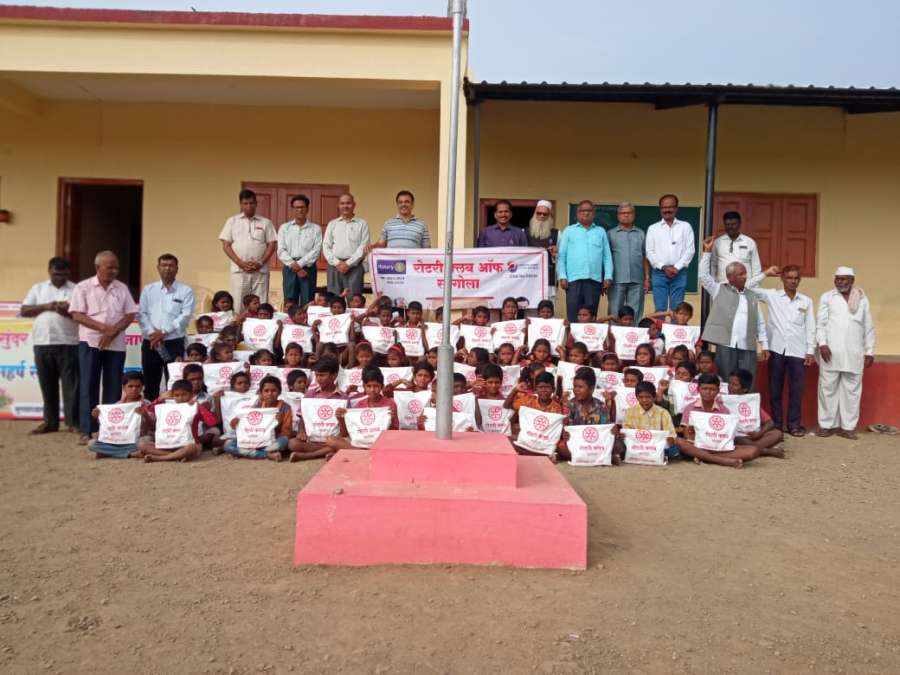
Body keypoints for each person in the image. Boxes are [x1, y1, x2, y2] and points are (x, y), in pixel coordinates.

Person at [69, 251, 139, 445]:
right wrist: (103, 329)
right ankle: (87, 430)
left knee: (113, 386)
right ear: (98, 267)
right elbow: (77, 314)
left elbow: (130, 314)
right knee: (88, 385)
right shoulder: (83, 287)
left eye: (116, 267)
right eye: (110, 267)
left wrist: (113, 331)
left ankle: (108, 429)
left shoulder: (121, 288)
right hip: (90, 342)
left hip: (115, 344)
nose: (114, 271)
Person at [748, 264, 816, 436]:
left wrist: (810, 350)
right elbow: (747, 286)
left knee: (797, 390)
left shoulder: (806, 301)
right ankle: (777, 425)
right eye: (789, 278)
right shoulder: (772, 295)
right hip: (776, 349)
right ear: (782, 279)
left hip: (798, 351)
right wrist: (765, 273)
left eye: (796, 278)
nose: (792, 281)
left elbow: (810, 327)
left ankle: (794, 425)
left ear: (799, 280)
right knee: (775, 389)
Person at [20, 257, 80, 434]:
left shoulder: (76, 289)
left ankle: (73, 422)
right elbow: (24, 310)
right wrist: (48, 306)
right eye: (55, 274)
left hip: (68, 343)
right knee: (47, 385)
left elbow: (82, 314)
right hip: (43, 343)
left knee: (71, 385)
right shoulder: (38, 288)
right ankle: (50, 422)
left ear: (69, 273)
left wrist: (65, 311)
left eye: (63, 274)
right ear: (49, 272)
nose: (59, 278)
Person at [698, 237, 768, 389]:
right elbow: (703, 276)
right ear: (730, 277)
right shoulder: (719, 290)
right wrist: (707, 252)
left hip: (747, 347)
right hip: (726, 345)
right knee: (725, 383)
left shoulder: (752, 295)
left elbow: (760, 322)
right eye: (741, 274)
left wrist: (765, 345)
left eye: (745, 273)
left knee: (747, 383)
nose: (745, 276)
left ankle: (746, 405)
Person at [815, 267, 875, 439]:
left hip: (854, 352)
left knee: (852, 392)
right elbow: (821, 324)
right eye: (837, 278)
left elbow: (868, 325)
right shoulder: (827, 297)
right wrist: (822, 344)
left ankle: (848, 427)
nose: (839, 282)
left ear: (852, 280)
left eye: (843, 279)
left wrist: (870, 350)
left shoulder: (862, 299)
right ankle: (827, 425)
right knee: (827, 390)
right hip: (830, 352)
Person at [138, 253, 195, 401]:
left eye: (171, 265)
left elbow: (185, 316)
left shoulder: (186, 291)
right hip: (151, 343)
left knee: (175, 384)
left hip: (174, 343)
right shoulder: (148, 289)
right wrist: (153, 334)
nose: (167, 268)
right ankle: (152, 413)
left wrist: (163, 332)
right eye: (164, 265)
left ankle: (173, 414)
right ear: (158, 268)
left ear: (177, 268)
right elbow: (142, 314)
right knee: (150, 384)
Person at [677, 373, 759, 468]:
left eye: (712, 389)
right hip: (698, 446)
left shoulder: (724, 410)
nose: (708, 392)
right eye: (704, 389)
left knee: (753, 450)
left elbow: (728, 435)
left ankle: (705, 458)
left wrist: (718, 442)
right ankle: (722, 460)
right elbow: (686, 435)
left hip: (719, 448)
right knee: (679, 442)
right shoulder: (690, 408)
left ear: (718, 391)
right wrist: (692, 436)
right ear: (698, 389)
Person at [218, 189, 277, 312]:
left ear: (256, 204)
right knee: (238, 302)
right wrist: (240, 263)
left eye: (251, 203)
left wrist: (260, 262)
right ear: (241, 204)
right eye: (245, 203)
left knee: (260, 303)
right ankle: (238, 324)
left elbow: (272, 244)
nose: (248, 206)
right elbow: (226, 245)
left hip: (260, 270)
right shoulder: (232, 221)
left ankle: (260, 324)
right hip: (239, 270)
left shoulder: (266, 222)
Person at [557, 200, 614, 323]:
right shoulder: (569, 231)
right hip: (573, 280)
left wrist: (608, 277)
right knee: (573, 314)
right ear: (577, 213)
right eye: (583, 210)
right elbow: (562, 255)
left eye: (589, 210)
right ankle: (572, 336)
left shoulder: (600, 231)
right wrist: (562, 276)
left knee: (590, 316)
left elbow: (607, 256)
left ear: (594, 213)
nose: (586, 213)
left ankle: (589, 336)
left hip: (594, 280)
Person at [646, 194, 695, 312]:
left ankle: (674, 326)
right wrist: (664, 267)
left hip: (679, 273)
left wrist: (676, 267)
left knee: (677, 309)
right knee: (660, 309)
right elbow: (649, 252)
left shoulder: (685, 227)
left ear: (676, 208)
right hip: (659, 273)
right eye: (664, 207)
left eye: (670, 207)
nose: (667, 210)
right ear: (660, 209)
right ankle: (660, 326)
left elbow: (690, 250)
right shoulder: (653, 228)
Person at [607, 201, 650, 321]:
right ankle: (614, 332)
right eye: (623, 213)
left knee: (636, 311)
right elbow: (606, 258)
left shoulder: (641, 233)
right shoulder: (610, 234)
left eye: (629, 212)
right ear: (618, 215)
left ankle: (634, 332)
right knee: (614, 310)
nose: (626, 215)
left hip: (637, 279)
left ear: (634, 215)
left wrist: (647, 278)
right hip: (616, 279)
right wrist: (606, 278)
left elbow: (645, 257)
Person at [277, 194, 322, 307]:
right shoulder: (284, 228)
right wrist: (294, 265)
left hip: (308, 268)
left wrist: (300, 265)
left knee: (308, 301)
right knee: (290, 302)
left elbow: (316, 250)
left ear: (307, 209)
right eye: (296, 207)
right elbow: (281, 250)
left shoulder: (315, 229)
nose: (299, 210)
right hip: (289, 267)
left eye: (302, 207)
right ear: (292, 209)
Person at [322, 193, 369, 296]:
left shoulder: (362, 224)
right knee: (335, 300)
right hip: (334, 266)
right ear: (338, 205)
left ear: (354, 204)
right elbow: (326, 246)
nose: (345, 206)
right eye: (342, 203)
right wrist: (337, 263)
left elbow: (363, 246)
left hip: (354, 267)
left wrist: (348, 263)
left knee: (354, 299)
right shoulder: (332, 224)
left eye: (348, 203)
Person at [711, 211, 761, 283]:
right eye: (727, 224)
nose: (730, 227)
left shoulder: (749, 242)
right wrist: (713, 284)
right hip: (723, 285)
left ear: (739, 224)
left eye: (733, 224)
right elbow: (713, 265)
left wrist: (754, 286)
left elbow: (756, 267)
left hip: (745, 286)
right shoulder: (717, 242)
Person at [527, 200, 559, 301]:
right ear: (534, 213)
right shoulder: (524, 233)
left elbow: (563, 259)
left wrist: (556, 253)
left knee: (548, 308)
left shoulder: (558, 234)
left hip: (549, 280)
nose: (541, 216)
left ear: (549, 216)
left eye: (545, 214)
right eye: (539, 213)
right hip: (528, 279)